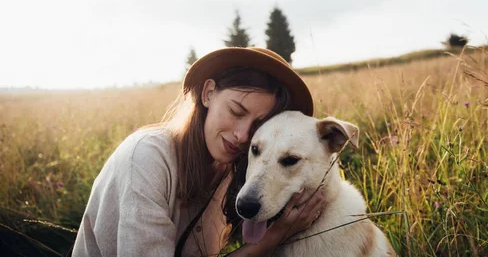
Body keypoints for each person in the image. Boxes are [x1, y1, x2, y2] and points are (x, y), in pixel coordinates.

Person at [70, 47, 326, 256]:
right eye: (236, 111)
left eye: (258, 126)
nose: (243, 135)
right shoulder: (145, 158)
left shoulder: (232, 170)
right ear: (208, 93)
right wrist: (271, 239)